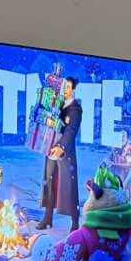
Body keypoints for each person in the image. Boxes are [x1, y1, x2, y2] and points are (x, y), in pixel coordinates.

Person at [41, 76, 81, 231]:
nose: (65, 90)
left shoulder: (75, 109)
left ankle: (75, 221)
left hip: (65, 153)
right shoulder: (57, 105)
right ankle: (48, 218)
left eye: (69, 87)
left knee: (69, 187)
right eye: (64, 86)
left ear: (73, 90)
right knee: (49, 183)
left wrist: (61, 147)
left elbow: (71, 131)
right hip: (51, 150)